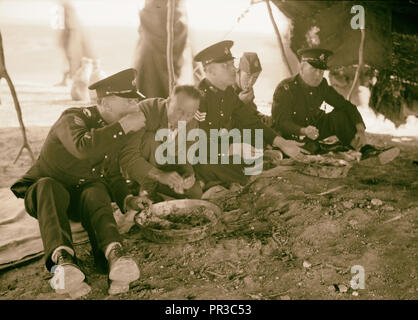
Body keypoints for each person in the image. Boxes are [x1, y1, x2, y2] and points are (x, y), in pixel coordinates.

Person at [10, 68, 149, 296]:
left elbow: (112, 175)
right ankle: (64, 262)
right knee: (48, 186)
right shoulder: (72, 118)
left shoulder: (115, 131)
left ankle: (114, 255)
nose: (135, 108)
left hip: (81, 202)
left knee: (95, 190)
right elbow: (83, 147)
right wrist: (123, 127)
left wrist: (128, 199)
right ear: (106, 103)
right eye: (129, 101)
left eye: (135, 102)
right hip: (48, 200)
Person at [192, 40, 307, 188]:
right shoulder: (197, 99)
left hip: (221, 153)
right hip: (198, 156)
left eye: (231, 63)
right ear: (210, 71)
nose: (233, 69)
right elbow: (194, 144)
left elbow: (250, 121)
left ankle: (237, 178)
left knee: (252, 158)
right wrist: (232, 148)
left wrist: (282, 143)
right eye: (225, 66)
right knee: (217, 166)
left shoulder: (228, 93)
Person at [271, 48, 367, 154]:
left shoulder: (322, 85)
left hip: (313, 131)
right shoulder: (286, 88)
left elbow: (346, 105)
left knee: (340, 115)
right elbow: (281, 122)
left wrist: (360, 130)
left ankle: (356, 148)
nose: (318, 75)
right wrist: (303, 130)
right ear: (302, 68)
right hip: (291, 135)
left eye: (321, 71)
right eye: (313, 69)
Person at [119, 85, 202, 202]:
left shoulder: (192, 123)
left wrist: (188, 176)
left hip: (165, 169)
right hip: (141, 171)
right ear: (168, 102)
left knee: (195, 192)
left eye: (190, 114)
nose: (184, 119)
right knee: (151, 140)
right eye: (180, 111)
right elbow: (127, 156)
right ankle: (146, 190)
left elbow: (184, 157)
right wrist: (159, 175)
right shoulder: (145, 110)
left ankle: (158, 190)